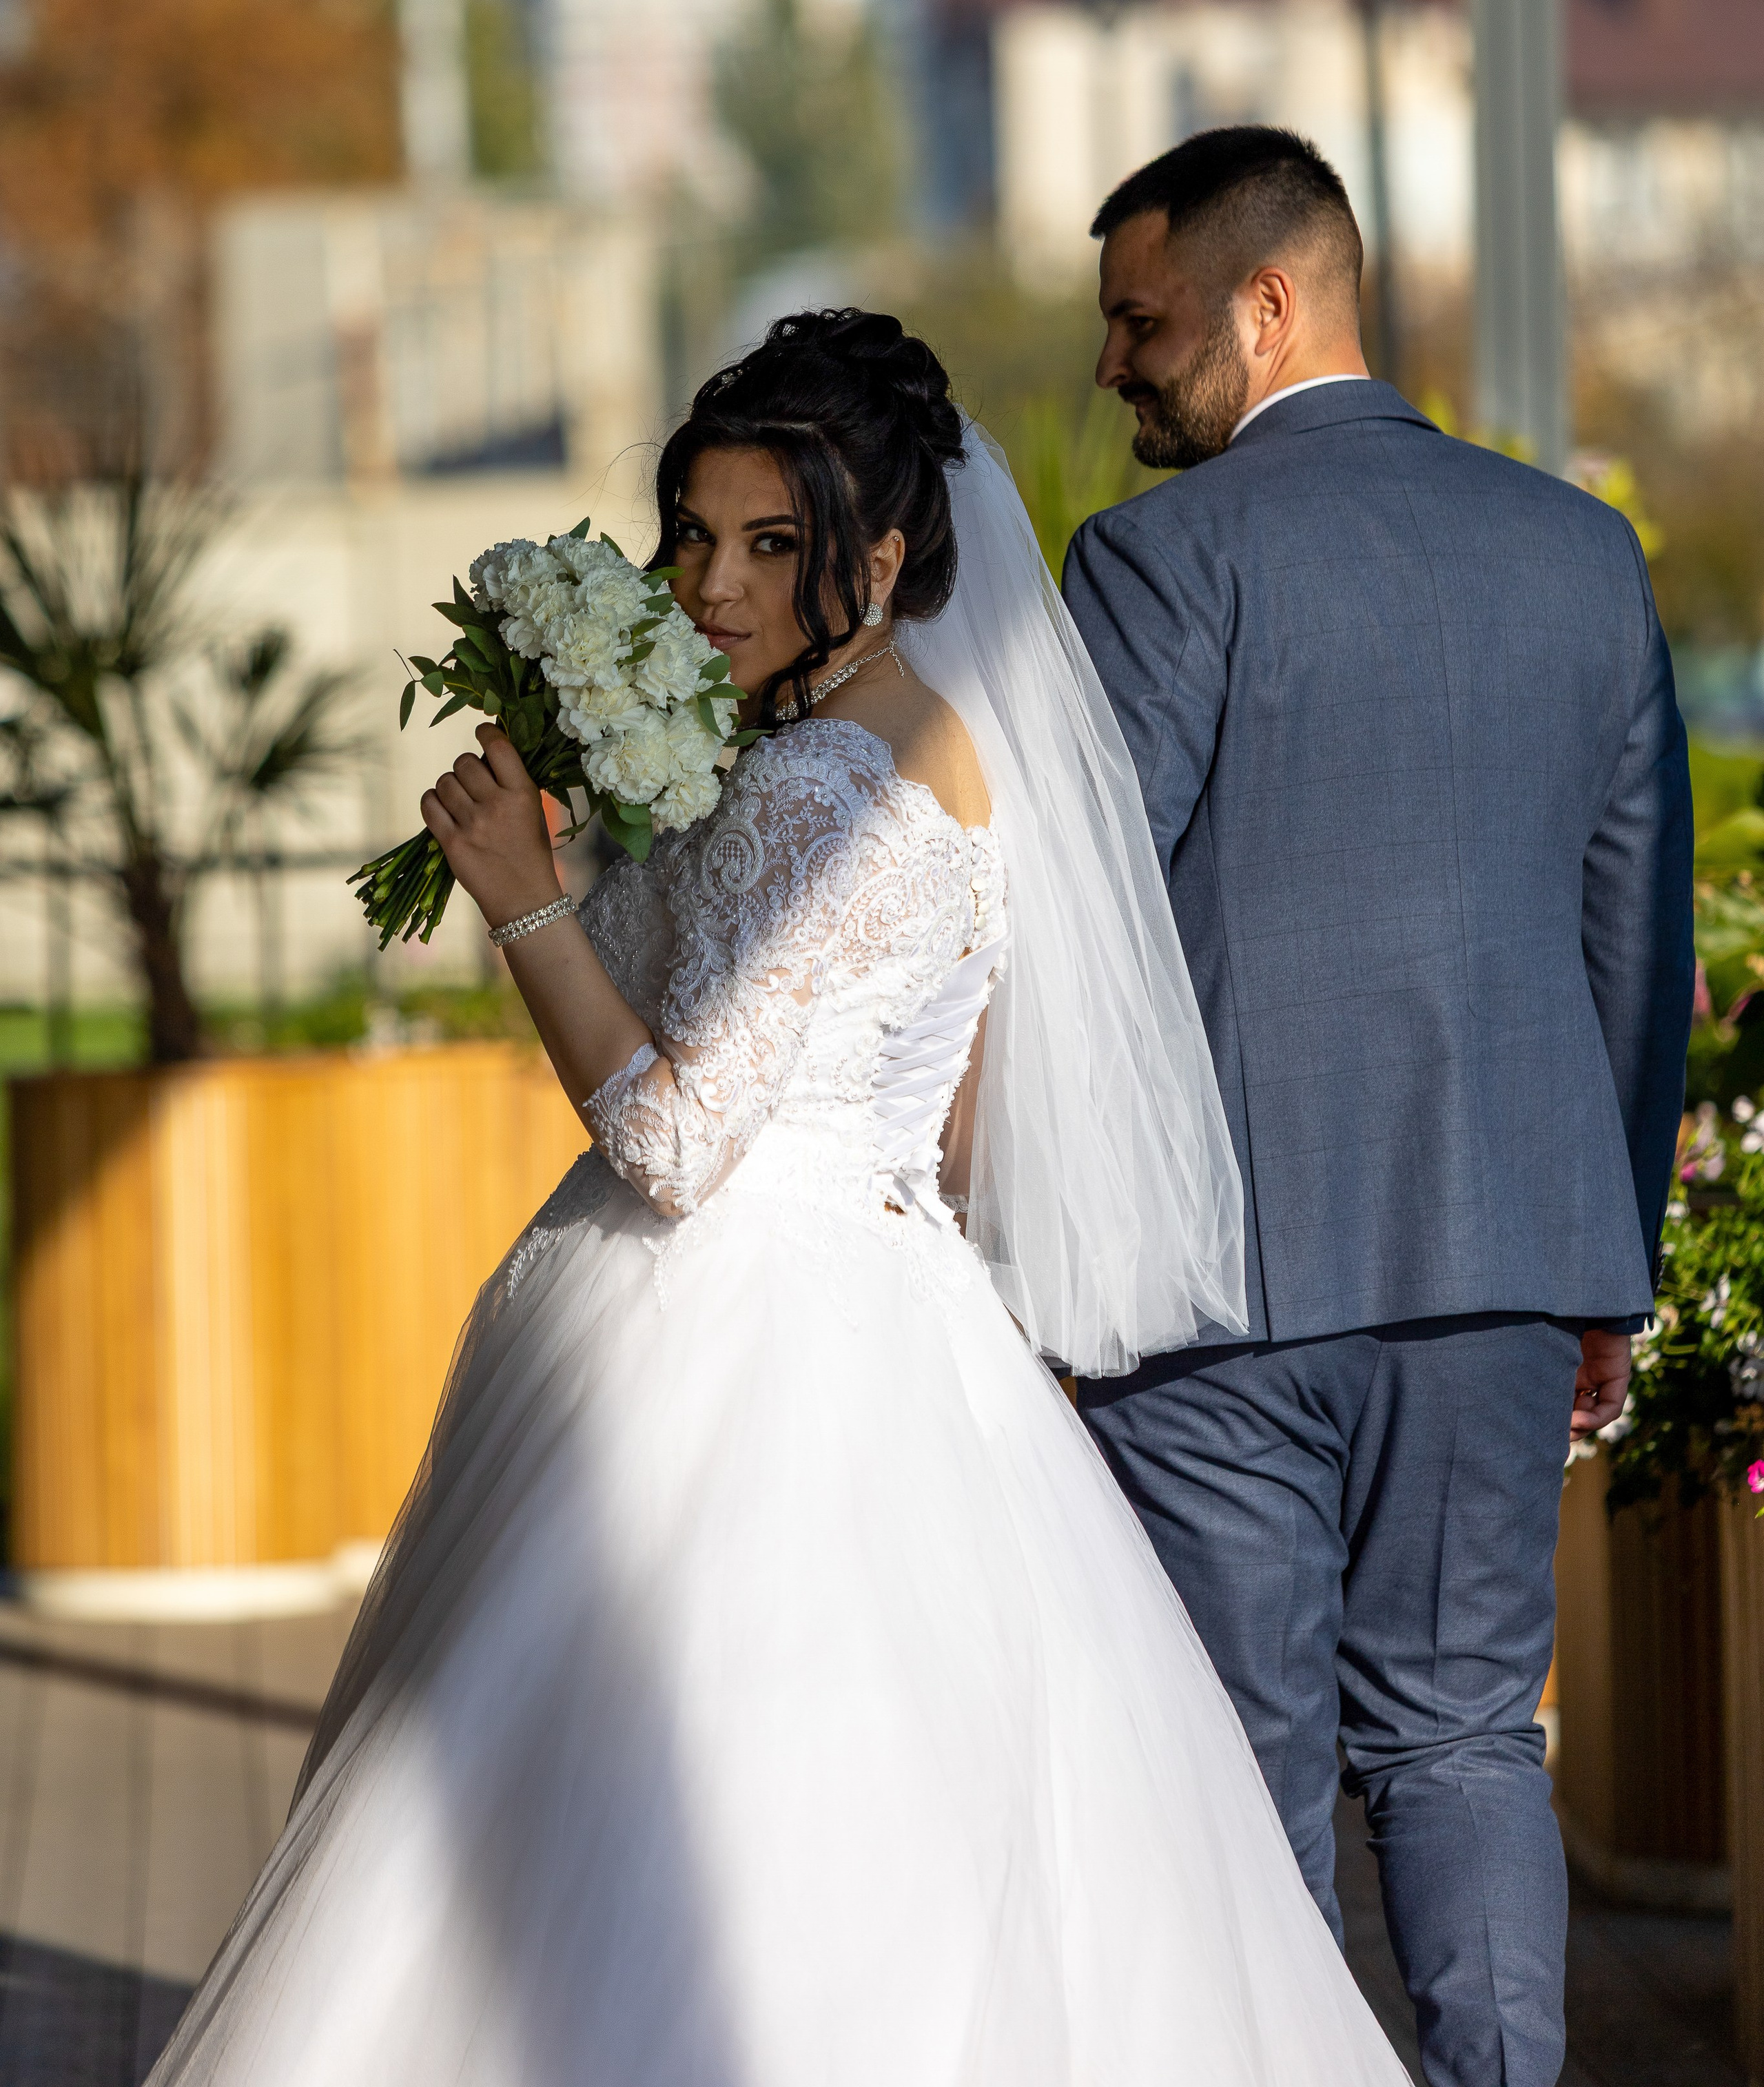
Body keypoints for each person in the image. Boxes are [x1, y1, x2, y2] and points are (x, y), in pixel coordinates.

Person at [150, 308, 1408, 2087]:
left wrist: (523, 900)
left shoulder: (833, 783)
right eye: (693, 537)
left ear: (878, 563)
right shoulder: (907, 740)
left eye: (768, 545)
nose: (711, 585)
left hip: (740, 1342)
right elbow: (952, 1127)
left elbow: (671, 1144)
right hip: (897, 1317)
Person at [1062, 127, 1696, 2087]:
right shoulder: (1579, 552)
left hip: (1217, 1291)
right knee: (1466, 1740)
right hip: (1501, 1269)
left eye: (1141, 322)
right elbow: (1636, 938)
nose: (1113, 364)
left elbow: (1080, 922)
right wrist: (1606, 1263)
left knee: (1244, 1767)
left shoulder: (1161, 560)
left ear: (1268, 305)